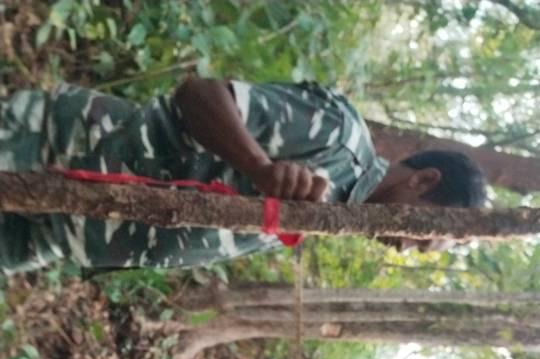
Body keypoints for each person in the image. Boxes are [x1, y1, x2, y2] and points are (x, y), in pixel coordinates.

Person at [0, 76, 487, 276]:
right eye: (421, 236)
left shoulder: (337, 212)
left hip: (53, 234)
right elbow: (199, 95)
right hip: (51, 149)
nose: (405, 249)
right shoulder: (339, 138)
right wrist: (259, 166)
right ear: (424, 181)